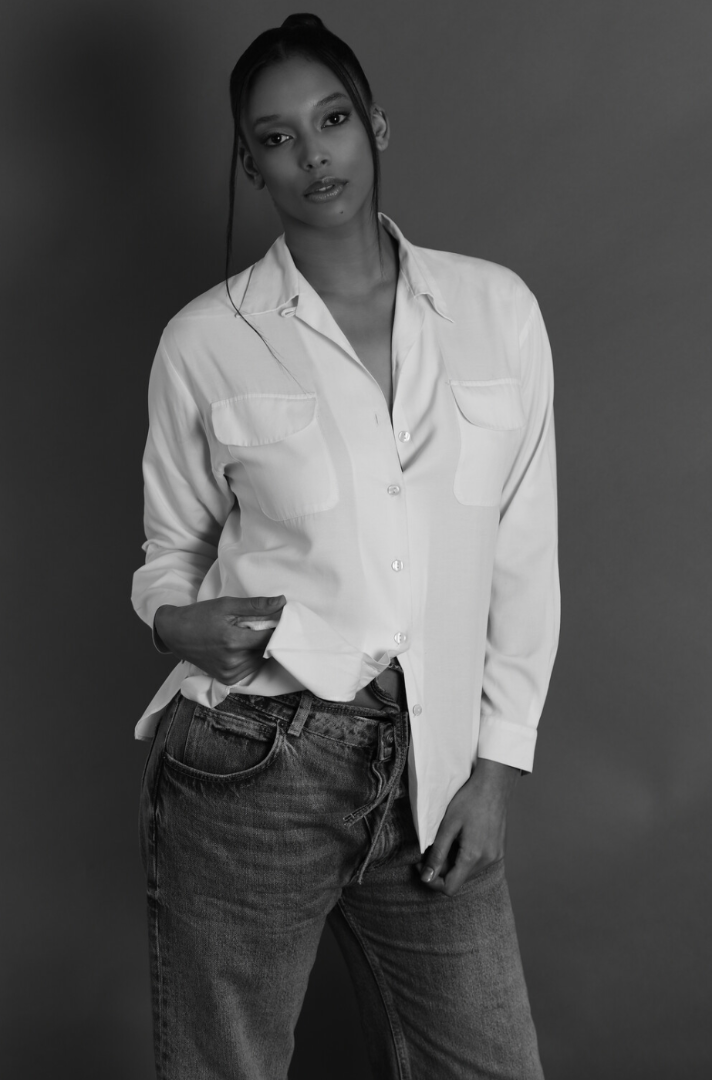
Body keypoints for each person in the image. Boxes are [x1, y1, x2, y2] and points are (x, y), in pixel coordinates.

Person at [132, 13, 560, 1080]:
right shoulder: (205, 341)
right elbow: (168, 551)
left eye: (331, 121)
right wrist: (176, 622)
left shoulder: (495, 310)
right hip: (253, 759)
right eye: (276, 138)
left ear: (375, 126)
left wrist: (494, 768)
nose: (311, 155)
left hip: (435, 768)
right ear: (250, 164)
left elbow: (523, 550)